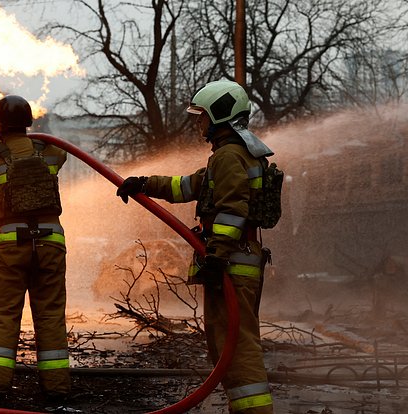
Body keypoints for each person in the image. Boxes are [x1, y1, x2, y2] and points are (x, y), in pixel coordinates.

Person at [116, 80, 275, 413]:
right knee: (226, 343)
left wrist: (216, 255)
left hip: (232, 263)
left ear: (220, 115)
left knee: (237, 344)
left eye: (202, 116)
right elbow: (187, 186)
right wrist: (144, 183)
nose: (198, 123)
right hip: (234, 262)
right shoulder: (230, 155)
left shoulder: (230, 156)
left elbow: (233, 210)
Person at [0, 95, 71, 405]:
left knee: (4, 314)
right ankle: (56, 389)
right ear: (29, 123)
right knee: (51, 315)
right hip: (50, 243)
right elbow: (62, 154)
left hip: (12, 246)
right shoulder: (50, 153)